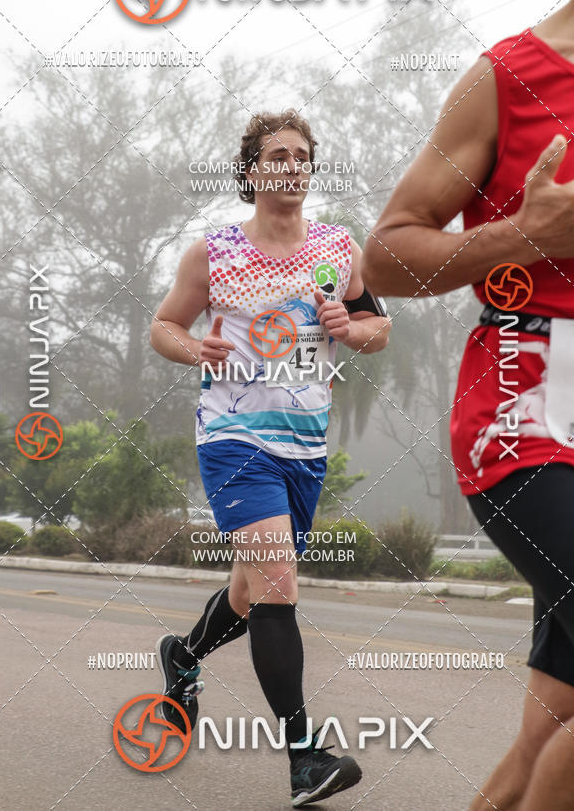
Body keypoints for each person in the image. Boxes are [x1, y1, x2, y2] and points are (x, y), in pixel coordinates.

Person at [360, 0, 574, 808]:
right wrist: (521, 234)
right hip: (530, 415)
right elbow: (386, 256)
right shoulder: (509, 77)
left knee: (550, 732)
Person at [149, 108, 391, 806]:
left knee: (253, 590)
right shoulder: (214, 253)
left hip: (304, 446)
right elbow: (164, 324)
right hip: (233, 440)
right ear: (251, 171)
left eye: (302, 154)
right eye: (277, 155)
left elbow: (379, 326)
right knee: (280, 587)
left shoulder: (338, 249)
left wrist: (356, 326)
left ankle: (183, 656)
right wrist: (194, 347)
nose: (291, 164)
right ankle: (304, 759)